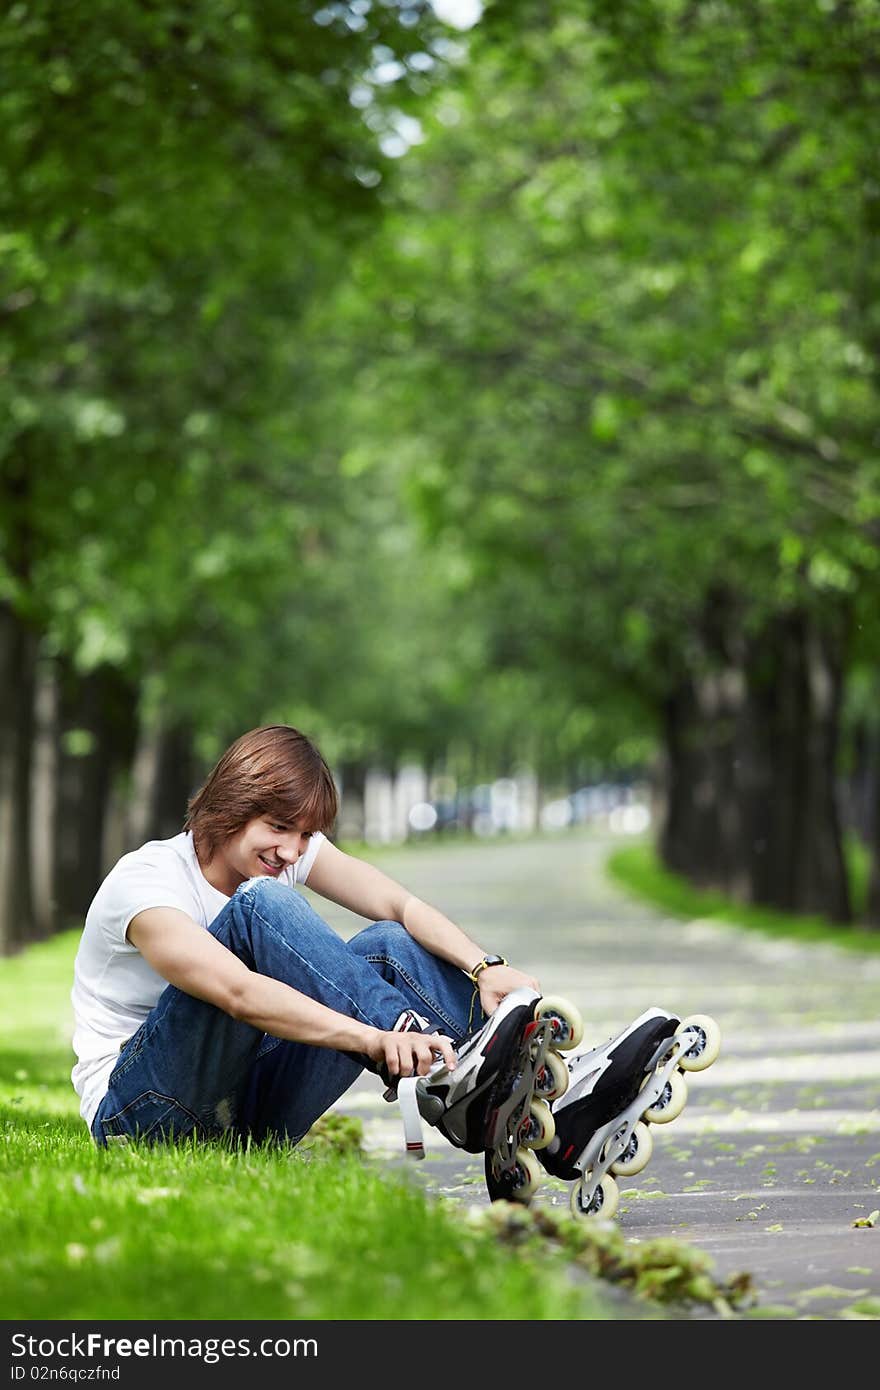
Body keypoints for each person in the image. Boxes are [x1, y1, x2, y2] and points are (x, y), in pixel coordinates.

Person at [71, 724, 543, 1154]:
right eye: (278, 828)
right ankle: (446, 1066)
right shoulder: (147, 882)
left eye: (305, 834)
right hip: (138, 1113)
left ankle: (530, 1083)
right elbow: (239, 994)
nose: (291, 851)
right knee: (262, 903)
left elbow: (400, 905)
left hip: (243, 1110)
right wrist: (375, 1039)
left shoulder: (278, 852)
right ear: (230, 805)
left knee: (388, 945)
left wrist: (484, 967)